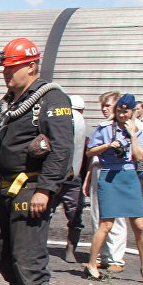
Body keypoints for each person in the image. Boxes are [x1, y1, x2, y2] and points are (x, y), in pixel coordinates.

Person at [0, 37, 73, 285]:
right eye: (5, 68)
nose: (8, 73)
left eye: (13, 67)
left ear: (32, 66)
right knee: (5, 255)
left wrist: (46, 189)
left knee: (29, 258)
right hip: (3, 189)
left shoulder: (51, 97)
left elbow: (61, 149)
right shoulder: (11, 102)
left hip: (31, 189)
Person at [83, 94, 143, 283]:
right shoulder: (105, 128)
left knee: (139, 225)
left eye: (125, 112)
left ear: (132, 112)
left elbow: (138, 156)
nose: (121, 115)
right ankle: (92, 264)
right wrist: (107, 145)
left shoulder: (135, 129)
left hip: (129, 176)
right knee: (106, 225)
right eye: (119, 111)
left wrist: (132, 135)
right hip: (109, 175)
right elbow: (89, 151)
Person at [85, 92, 128, 272]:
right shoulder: (102, 127)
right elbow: (90, 153)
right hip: (97, 169)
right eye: (103, 105)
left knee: (116, 217)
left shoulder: (125, 127)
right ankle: (103, 255)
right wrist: (87, 179)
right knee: (97, 215)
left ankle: (116, 259)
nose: (104, 109)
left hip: (115, 171)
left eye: (108, 105)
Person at [53, 95, 89, 263]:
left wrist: (84, 179)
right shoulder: (57, 127)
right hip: (54, 177)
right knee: (43, 212)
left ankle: (70, 249)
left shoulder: (86, 131)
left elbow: (87, 158)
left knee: (75, 214)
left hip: (74, 179)